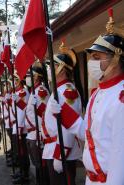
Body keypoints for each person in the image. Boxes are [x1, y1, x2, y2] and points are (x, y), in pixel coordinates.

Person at [48, 12, 124, 185]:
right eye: (92, 57)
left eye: (98, 57)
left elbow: (120, 157)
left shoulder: (121, 98)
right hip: (91, 180)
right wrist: (63, 112)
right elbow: (89, 133)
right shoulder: (98, 93)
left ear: (116, 58)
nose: (92, 61)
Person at [43, 42, 83, 185]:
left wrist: (60, 155)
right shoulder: (58, 90)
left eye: (51, 66)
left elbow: (68, 128)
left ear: (61, 69)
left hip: (62, 151)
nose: (48, 69)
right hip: (54, 148)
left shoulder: (67, 92)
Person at [25, 63, 50, 185]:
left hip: (37, 133)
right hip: (31, 133)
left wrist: (41, 132)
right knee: (36, 164)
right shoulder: (34, 90)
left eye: (30, 75)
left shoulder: (41, 91)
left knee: (41, 165)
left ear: (37, 77)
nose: (27, 78)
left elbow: (44, 114)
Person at [11, 73, 30, 184]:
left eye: (15, 80)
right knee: (19, 151)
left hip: (21, 126)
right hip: (16, 124)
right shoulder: (17, 92)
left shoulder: (23, 92)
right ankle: (21, 171)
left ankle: (25, 174)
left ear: (19, 81)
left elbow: (24, 109)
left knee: (23, 152)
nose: (14, 82)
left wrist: (20, 127)